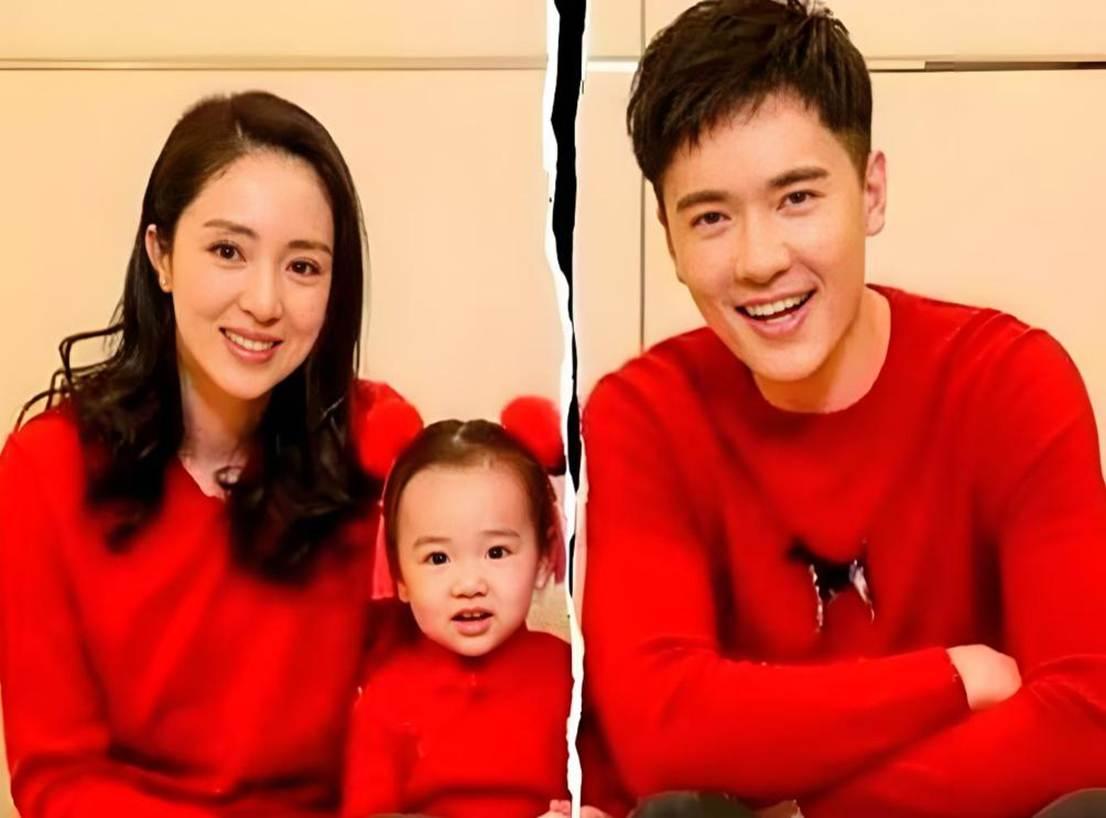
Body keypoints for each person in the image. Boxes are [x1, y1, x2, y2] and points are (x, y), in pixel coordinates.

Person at [579, 1, 1106, 817]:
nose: (758, 261)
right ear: (669, 238)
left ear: (871, 192)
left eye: (796, 198)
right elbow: (661, 732)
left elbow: (1087, 717)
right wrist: (951, 678)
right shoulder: (643, 414)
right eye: (711, 217)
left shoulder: (1009, 381)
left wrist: (805, 808)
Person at [0, 90, 421, 817]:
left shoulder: (378, 444)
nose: (264, 302)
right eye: (228, 251)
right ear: (160, 255)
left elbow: (424, 706)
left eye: (303, 266)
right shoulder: (44, 469)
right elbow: (58, 776)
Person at [341, 402, 609, 818]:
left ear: (543, 558)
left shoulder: (572, 677)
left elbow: (612, 794)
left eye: (497, 552)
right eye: (438, 558)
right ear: (399, 576)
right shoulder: (385, 699)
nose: (469, 585)